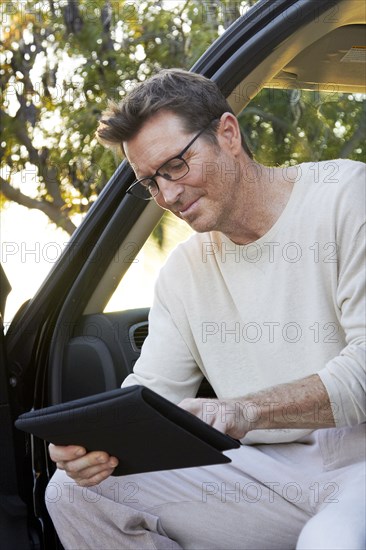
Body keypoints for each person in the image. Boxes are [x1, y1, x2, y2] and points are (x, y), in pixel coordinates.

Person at [46, 69, 365, 549]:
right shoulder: (184, 271)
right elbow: (152, 400)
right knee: (75, 492)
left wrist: (245, 411)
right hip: (268, 475)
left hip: (359, 461)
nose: (168, 196)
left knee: (329, 541)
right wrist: (94, 445)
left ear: (228, 134)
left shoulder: (345, 196)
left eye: (176, 165)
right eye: (150, 182)